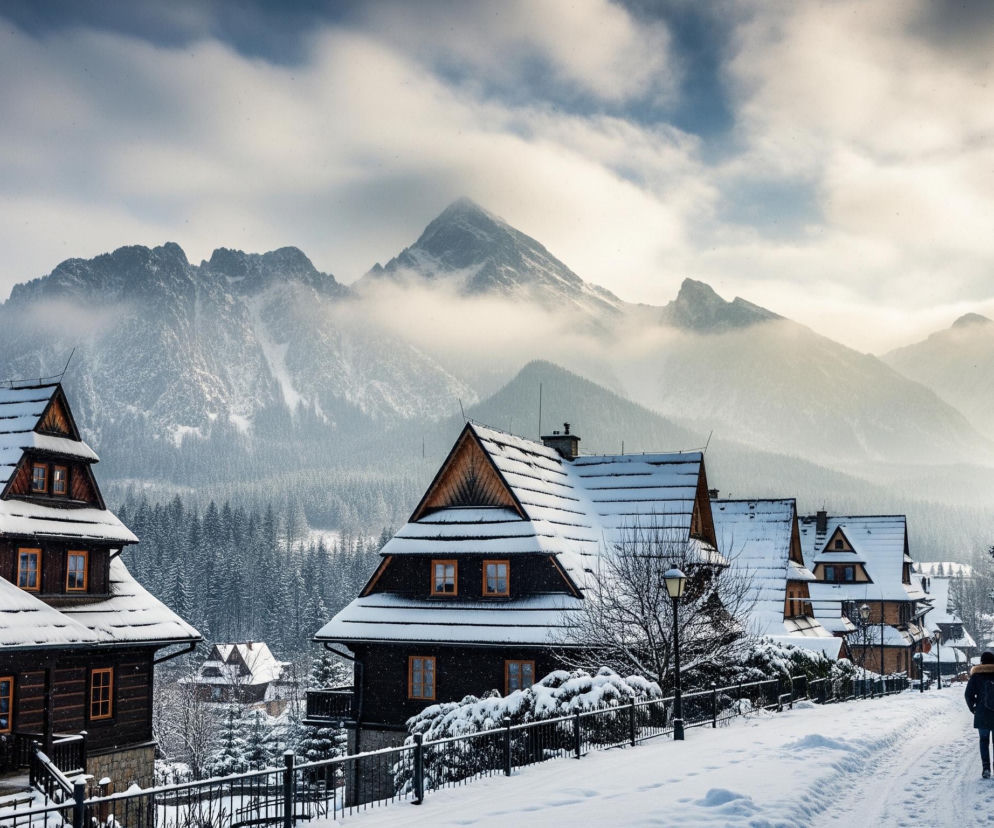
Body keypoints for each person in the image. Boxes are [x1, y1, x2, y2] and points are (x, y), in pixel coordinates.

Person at [964, 650, 994, 778]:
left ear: (981, 662)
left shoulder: (976, 676)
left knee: (984, 741)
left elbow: (968, 695)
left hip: (982, 713)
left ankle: (986, 768)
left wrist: (974, 709)